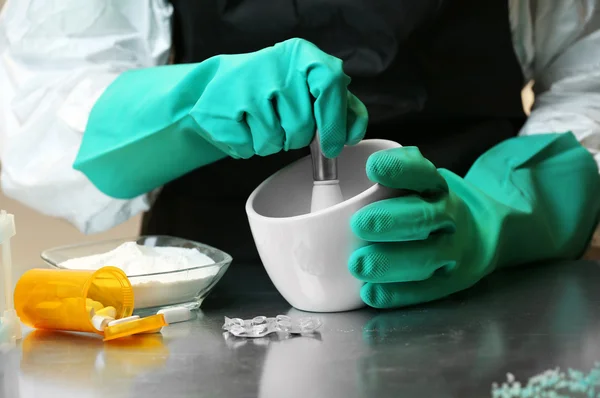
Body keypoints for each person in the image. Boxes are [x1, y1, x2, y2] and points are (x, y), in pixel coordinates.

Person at [1, 0, 599, 309]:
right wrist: (188, 108)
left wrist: (507, 206)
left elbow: (588, 74)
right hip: (218, 299)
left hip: (482, 278)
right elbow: (40, 117)